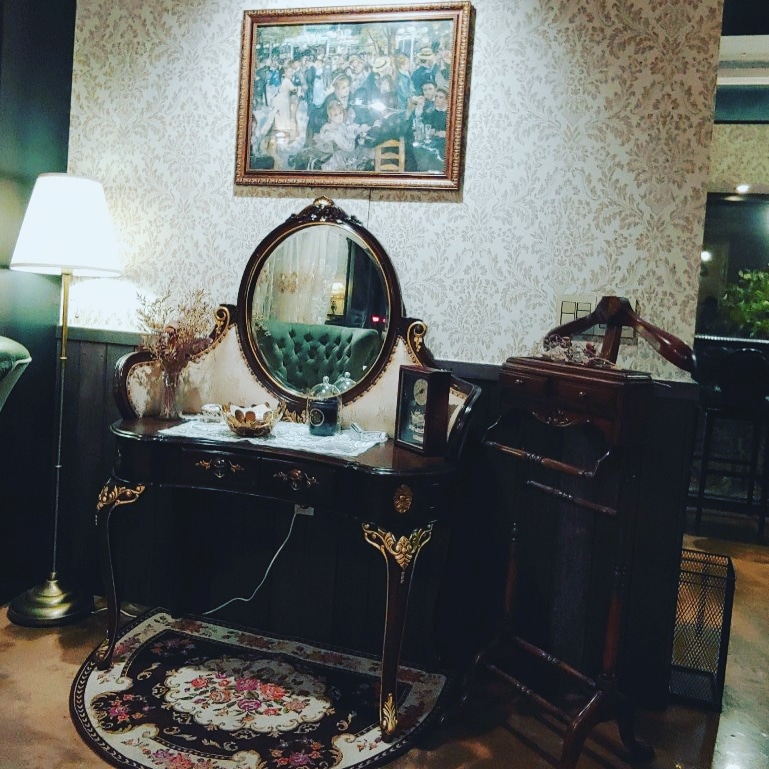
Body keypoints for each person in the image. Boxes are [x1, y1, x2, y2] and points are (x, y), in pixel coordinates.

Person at [312, 98, 372, 172]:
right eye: (335, 115)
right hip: (337, 157)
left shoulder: (342, 124)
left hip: (346, 151)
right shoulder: (332, 131)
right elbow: (349, 147)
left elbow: (352, 129)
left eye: (340, 113)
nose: (339, 116)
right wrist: (352, 136)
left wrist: (362, 129)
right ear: (330, 116)